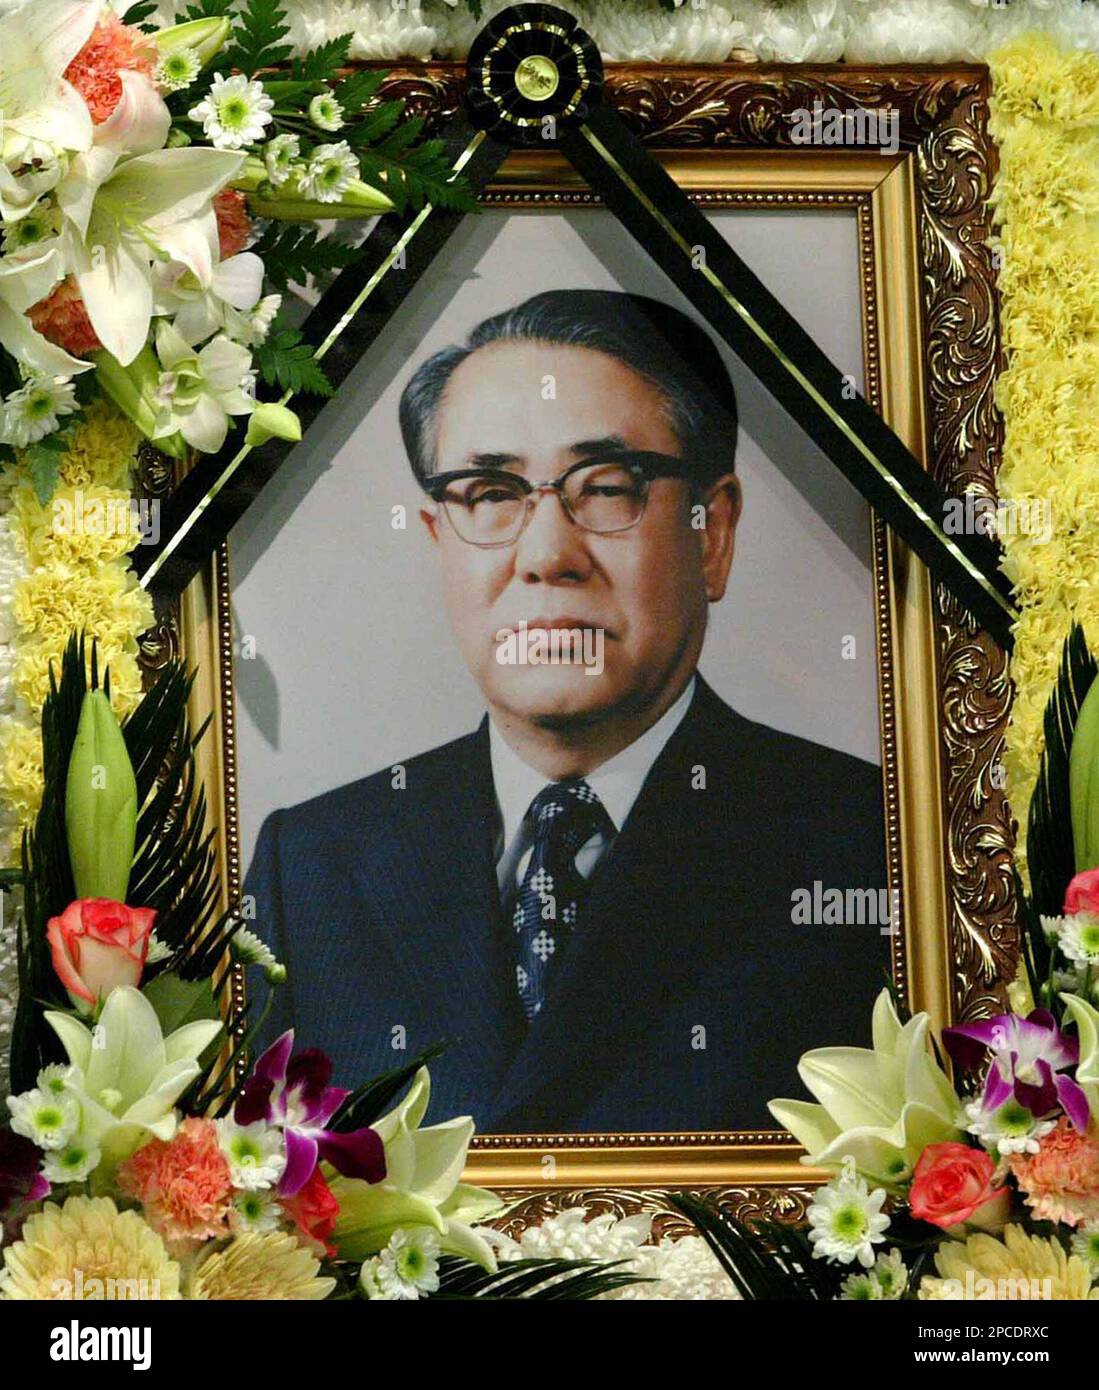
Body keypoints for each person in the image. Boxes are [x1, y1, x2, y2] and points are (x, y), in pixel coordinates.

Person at [245, 289, 888, 1134]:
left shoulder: (871, 845)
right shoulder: (313, 865)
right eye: (488, 492)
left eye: (608, 487)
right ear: (440, 540)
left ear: (711, 533)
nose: (546, 554)